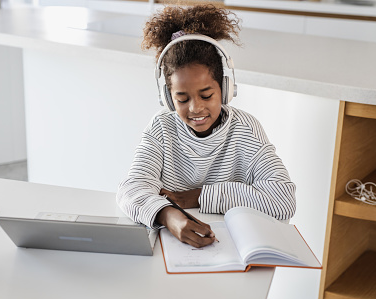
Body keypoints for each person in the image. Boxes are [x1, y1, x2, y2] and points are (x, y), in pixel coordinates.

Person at [116, 4, 296, 248]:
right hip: (171, 247)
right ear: (168, 98)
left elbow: (283, 201)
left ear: (225, 87)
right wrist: (170, 216)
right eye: (182, 99)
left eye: (206, 95)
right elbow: (131, 189)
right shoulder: (162, 127)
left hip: (229, 247)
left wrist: (196, 197)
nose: (195, 108)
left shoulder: (246, 129)